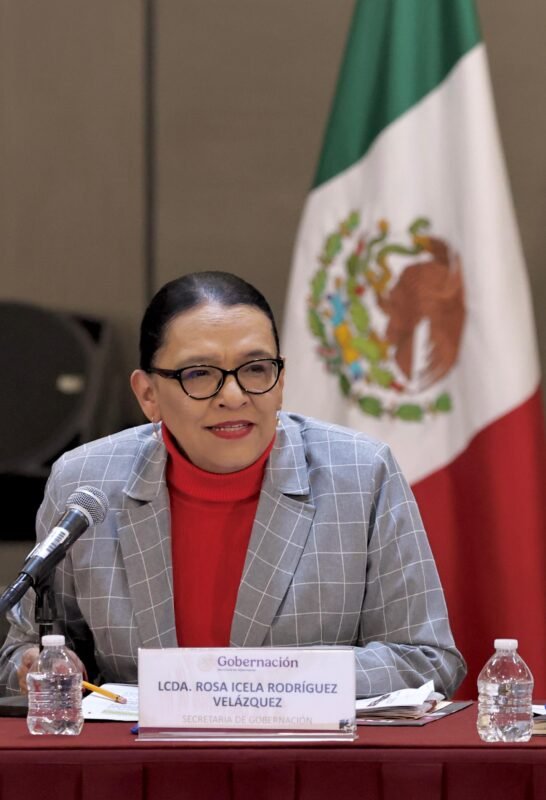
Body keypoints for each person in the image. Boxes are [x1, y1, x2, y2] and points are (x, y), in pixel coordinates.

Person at [0, 271, 466, 698]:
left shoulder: (360, 474)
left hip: (303, 756)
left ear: (280, 381)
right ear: (148, 394)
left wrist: (256, 682)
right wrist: (31, 664)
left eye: (256, 369)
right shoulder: (86, 481)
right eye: (199, 373)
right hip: (140, 755)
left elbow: (426, 659)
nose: (233, 395)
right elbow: (24, 648)